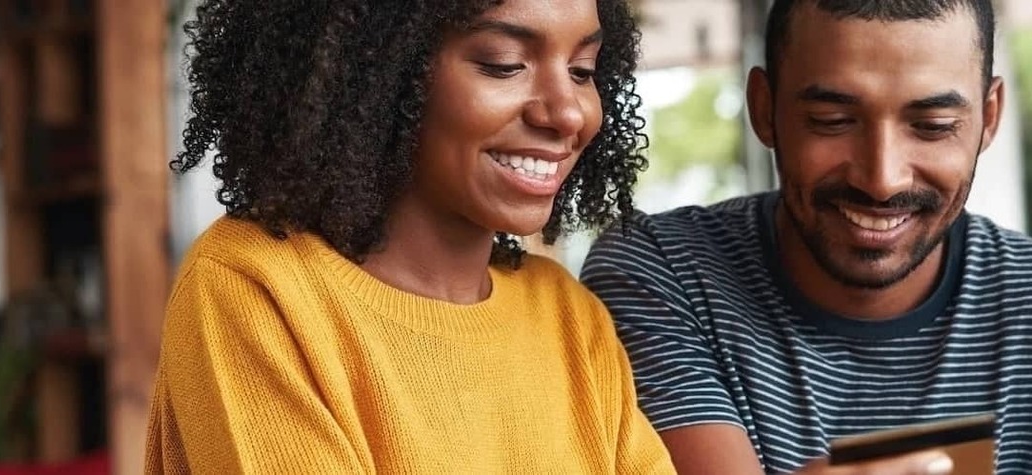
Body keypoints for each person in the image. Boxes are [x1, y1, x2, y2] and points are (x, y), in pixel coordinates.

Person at [145, 0, 676, 472]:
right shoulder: (256, 287)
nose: (567, 112)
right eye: (503, 65)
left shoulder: (568, 317)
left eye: (582, 71)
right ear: (375, 70)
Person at [582, 0, 1031, 474]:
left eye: (932, 127)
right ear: (764, 109)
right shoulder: (664, 272)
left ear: (989, 117)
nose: (882, 179)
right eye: (831, 121)